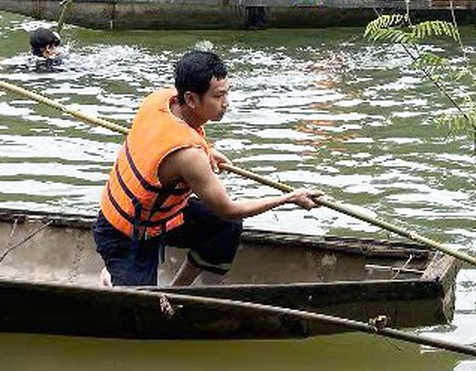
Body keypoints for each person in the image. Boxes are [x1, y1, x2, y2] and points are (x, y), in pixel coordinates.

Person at [93, 51, 322, 287]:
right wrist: (290, 198)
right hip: (124, 234)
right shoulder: (189, 156)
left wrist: (207, 151)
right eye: (218, 96)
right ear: (191, 99)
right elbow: (228, 208)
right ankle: (112, 271)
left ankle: (177, 292)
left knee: (223, 227)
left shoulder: (161, 99)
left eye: (227, 93)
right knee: (141, 313)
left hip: (158, 218)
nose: (226, 103)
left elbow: (162, 144)